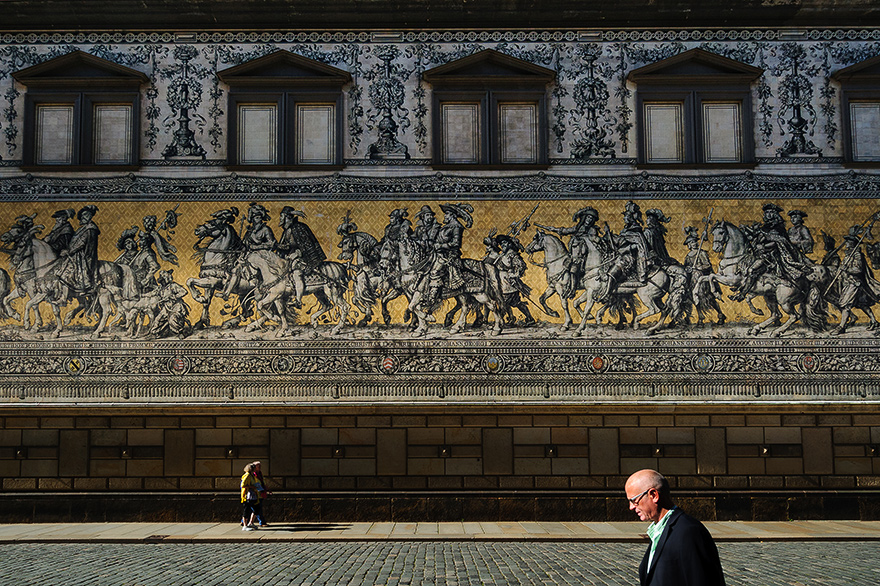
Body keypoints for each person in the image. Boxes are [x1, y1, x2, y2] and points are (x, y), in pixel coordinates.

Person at [625, 469, 725, 586]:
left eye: (634, 501)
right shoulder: (659, 530)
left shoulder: (689, 532)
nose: (631, 507)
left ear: (653, 495)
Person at [276, 206, 326, 309]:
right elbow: (287, 246)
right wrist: (276, 246)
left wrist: (299, 253)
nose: (280, 219)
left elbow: (308, 245)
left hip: (305, 257)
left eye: (282, 216)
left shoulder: (299, 228)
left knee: (296, 272)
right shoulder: (287, 231)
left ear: (287, 217)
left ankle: (298, 300)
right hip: (291, 257)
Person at [240, 463, 260, 531]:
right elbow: (243, 485)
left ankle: (251, 523)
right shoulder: (247, 475)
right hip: (247, 495)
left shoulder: (252, 475)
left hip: (253, 495)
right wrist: (252, 487)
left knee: (256, 509)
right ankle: (245, 525)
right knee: (246, 510)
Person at [252, 461, 271, 527]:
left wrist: (267, 489)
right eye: (258, 466)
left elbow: (263, 482)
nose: (259, 467)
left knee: (253, 509)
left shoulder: (260, 474)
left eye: (260, 465)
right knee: (257, 508)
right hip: (255, 494)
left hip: (261, 493)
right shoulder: (253, 475)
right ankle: (262, 522)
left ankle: (244, 521)